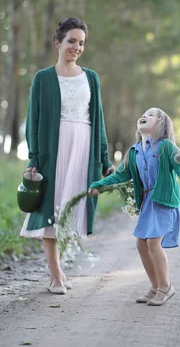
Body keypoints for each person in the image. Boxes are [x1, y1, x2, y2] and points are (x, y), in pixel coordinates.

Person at [20, 17, 115, 295]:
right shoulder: (43, 78)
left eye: (81, 42)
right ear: (57, 43)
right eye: (71, 41)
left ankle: (59, 270)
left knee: (71, 212)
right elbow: (33, 120)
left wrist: (105, 159)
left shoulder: (91, 78)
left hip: (83, 149)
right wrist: (34, 157)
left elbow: (98, 120)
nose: (77, 47)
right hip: (54, 150)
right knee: (52, 210)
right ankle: (55, 276)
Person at [88, 107, 180, 306]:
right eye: (143, 114)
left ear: (162, 124)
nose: (144, 116)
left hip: (163, 200)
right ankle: (155, 286)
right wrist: (99, 185)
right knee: (141, 244)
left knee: (153, 243)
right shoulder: (135, 150)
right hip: (148, 202)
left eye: (151, 115)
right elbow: (122, 175)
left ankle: (166, 287)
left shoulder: (167, 147)